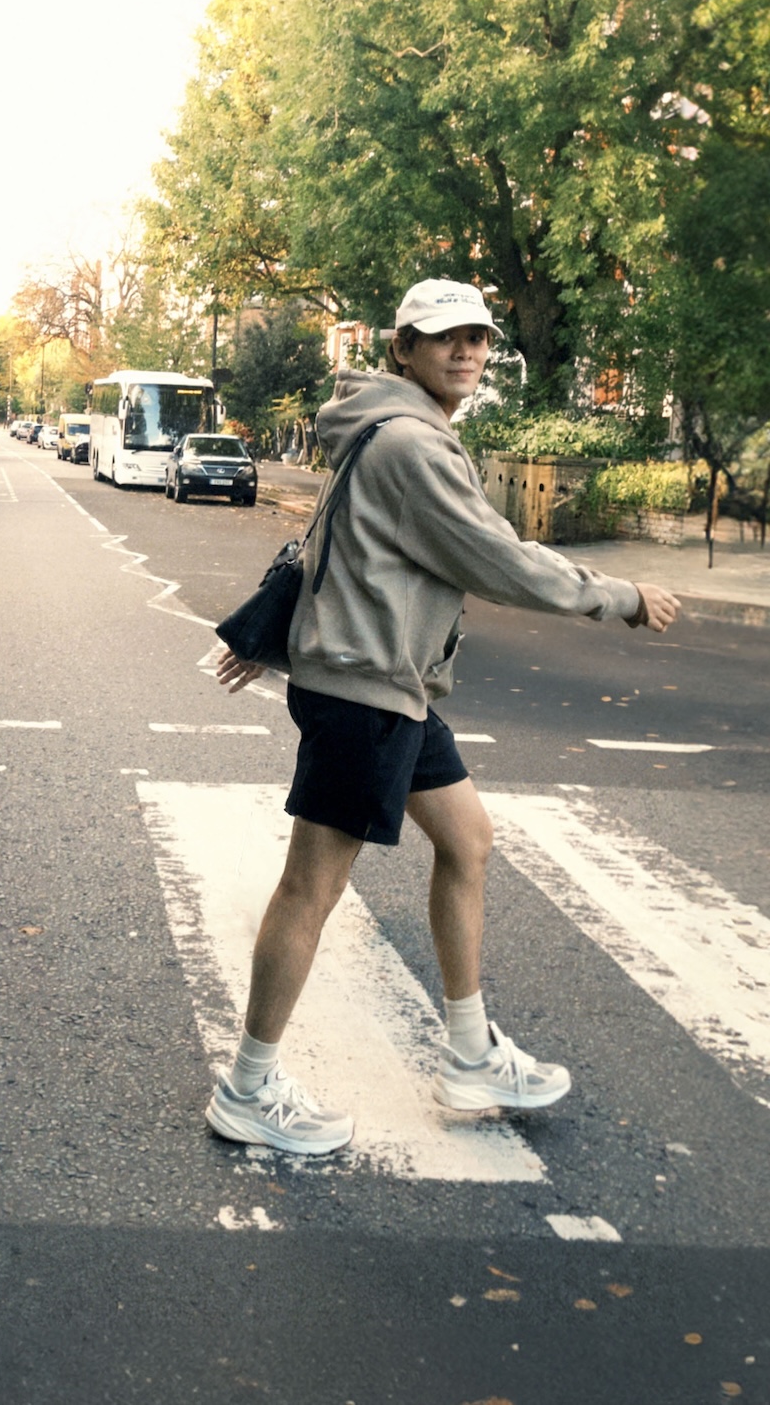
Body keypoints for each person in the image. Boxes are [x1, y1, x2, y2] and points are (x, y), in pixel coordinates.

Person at [207, 279, 680, 1155]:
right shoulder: (412, 447)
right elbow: (502, 558)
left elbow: (329, 544)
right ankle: (249, 1085)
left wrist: (280, 636)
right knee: (310, 889)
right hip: (366, 687)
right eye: (443, 337)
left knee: (467, 839)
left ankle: (470, 1052)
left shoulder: (382, 426)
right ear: (403, 349)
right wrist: (617, 596)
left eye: (477, 337)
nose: (465, 351)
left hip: (392, 683)